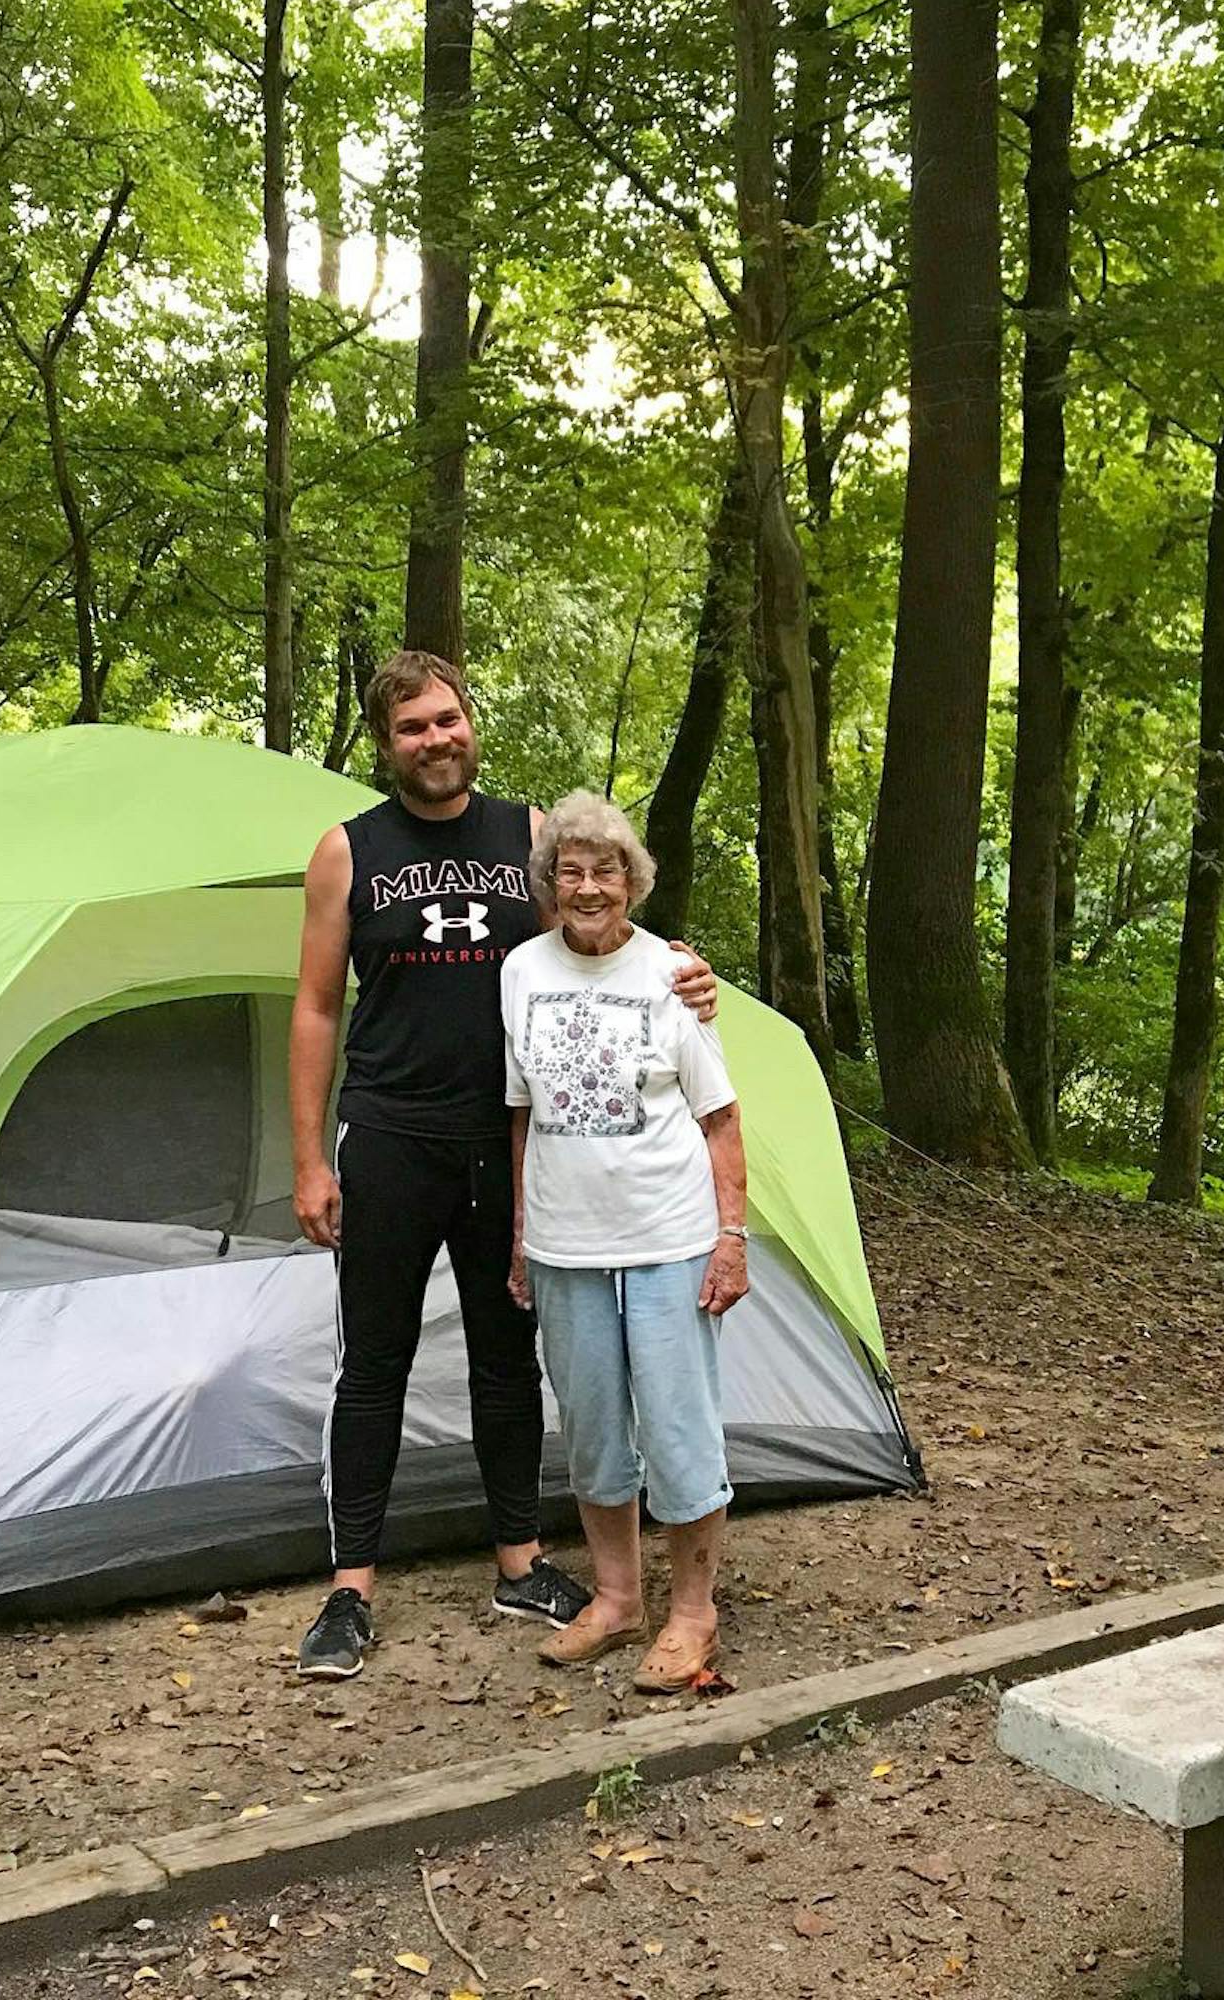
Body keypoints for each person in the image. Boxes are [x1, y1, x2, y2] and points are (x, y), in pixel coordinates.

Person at [289, 651, 717, 1679]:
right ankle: (351, 1587)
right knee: (374, 1363)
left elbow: (595, 931)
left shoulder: (526, 835)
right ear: (384, 746)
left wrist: (686, 972)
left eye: (447, 720)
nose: (434, 740)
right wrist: (309, 1159)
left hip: (507, 1143)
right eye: (411, 729)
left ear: (470, 723)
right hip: (391, 1138)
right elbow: (314, 1008)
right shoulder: (348, 852)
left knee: (505, 1355)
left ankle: (521, 1558)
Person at [501, 790, 748, 1692]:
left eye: (607, 871)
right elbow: (519, 1113)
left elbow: (720, 1118)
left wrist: (732, 1238)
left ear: (632, 882)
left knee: (679, 1430)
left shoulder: (672, 976)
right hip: (566, 1244)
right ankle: (617, 1598)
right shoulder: (521, 971)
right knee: (594, 1427)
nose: (589, 887)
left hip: (669, 1236)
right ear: (551, 883)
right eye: (571, 870)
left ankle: (694, 1614)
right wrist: (523, 1238)